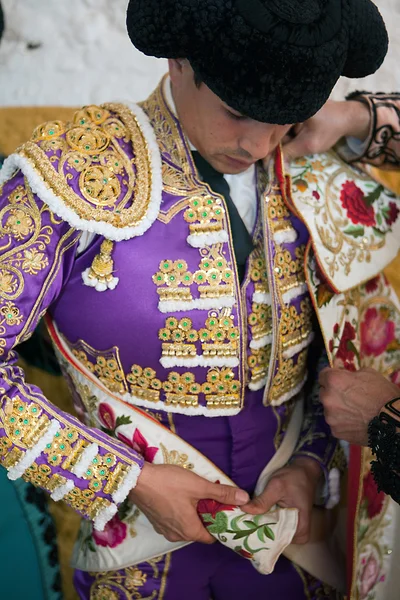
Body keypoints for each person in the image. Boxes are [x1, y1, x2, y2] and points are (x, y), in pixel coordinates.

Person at [0, 1, 398, 599]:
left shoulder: (313, 165)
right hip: (136, 564)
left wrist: (310, 462)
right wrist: (125, 479)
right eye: (237, 112)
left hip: (298, 551)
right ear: (178, 60)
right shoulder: (76, 170)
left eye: (284, 119)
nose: (260, 143)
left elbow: (335, 352)